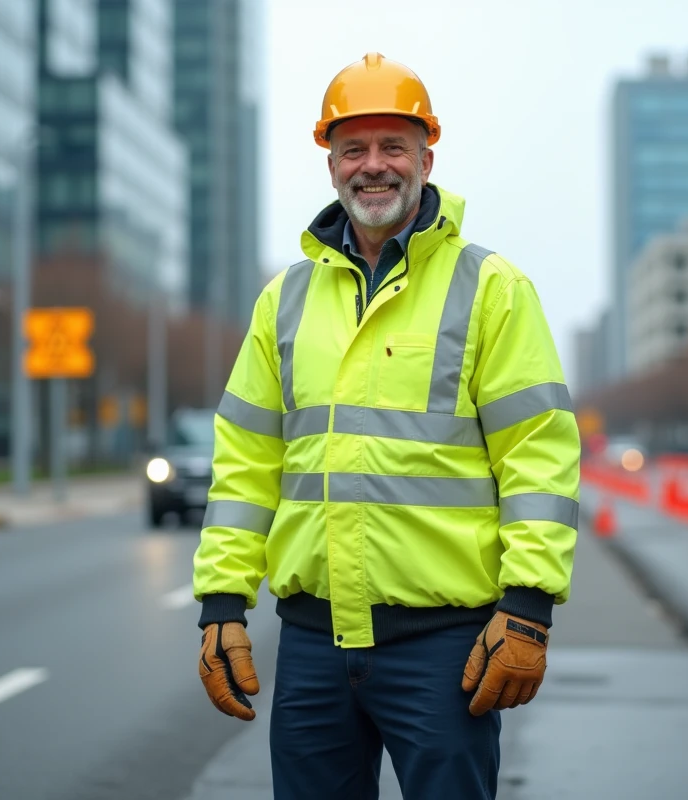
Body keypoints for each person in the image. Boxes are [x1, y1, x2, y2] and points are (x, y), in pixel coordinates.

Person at [193, 52, 581, 800]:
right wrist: (221, 604)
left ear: (426, 159)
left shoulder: (491, 289)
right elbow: (245, 465)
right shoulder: (284, 300)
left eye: (392, 146)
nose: (373, 166)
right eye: (354, 149)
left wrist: (528, 607)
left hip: (444, 648)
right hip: (312, 645)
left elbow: (538, 457)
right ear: (331, 165)